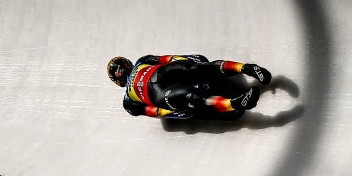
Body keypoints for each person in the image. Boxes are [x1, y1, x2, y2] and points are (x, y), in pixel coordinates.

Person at [107, 54, 272, 120]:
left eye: (120, 65)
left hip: (161, 73)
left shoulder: (141, 61)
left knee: (195, 69)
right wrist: (170, 113)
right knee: (190, 97)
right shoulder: (127, 101)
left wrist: (186, 59)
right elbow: (150, 111)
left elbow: (166, 59)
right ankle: (235, 103)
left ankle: (247, 68)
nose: (120, 70)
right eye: (117, 70)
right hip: (158, 94)